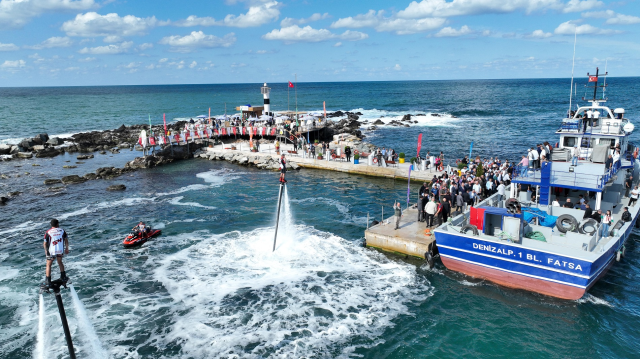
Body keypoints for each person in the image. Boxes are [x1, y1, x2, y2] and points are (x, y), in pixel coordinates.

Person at [43, 219, 69, 288]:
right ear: (57, 224)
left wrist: (46, 251)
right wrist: (66, 248)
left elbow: (45, 243)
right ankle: (63, 276)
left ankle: (48, 281)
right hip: (60, 250)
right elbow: (66, 240)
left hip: (51, 251)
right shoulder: (62, 231)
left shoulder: (48, 232)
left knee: (48, 265)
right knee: (60, 262)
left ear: (51, 225)